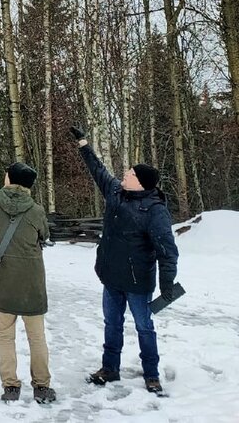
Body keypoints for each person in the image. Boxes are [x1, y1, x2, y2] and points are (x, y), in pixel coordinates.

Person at [69, 124, 178, 395]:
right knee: (111, 323)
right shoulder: (116, 192)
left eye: (130, 173)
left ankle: (151, 374)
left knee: (144, 327)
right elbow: (98, 170)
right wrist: (84, 145)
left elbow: (167, 251)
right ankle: (109, 368)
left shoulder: (155, 210)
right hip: (111, 275)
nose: (124, 175)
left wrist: (167, 286)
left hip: (138, 280)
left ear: (140, 183)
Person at [0, 161, 56, 405]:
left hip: (2, 279)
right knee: (37, 337)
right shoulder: (36, 210)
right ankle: (42, 386)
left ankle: (10, 386)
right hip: (31, 281)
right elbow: (44, 235)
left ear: (9, 179)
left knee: (4, 336)